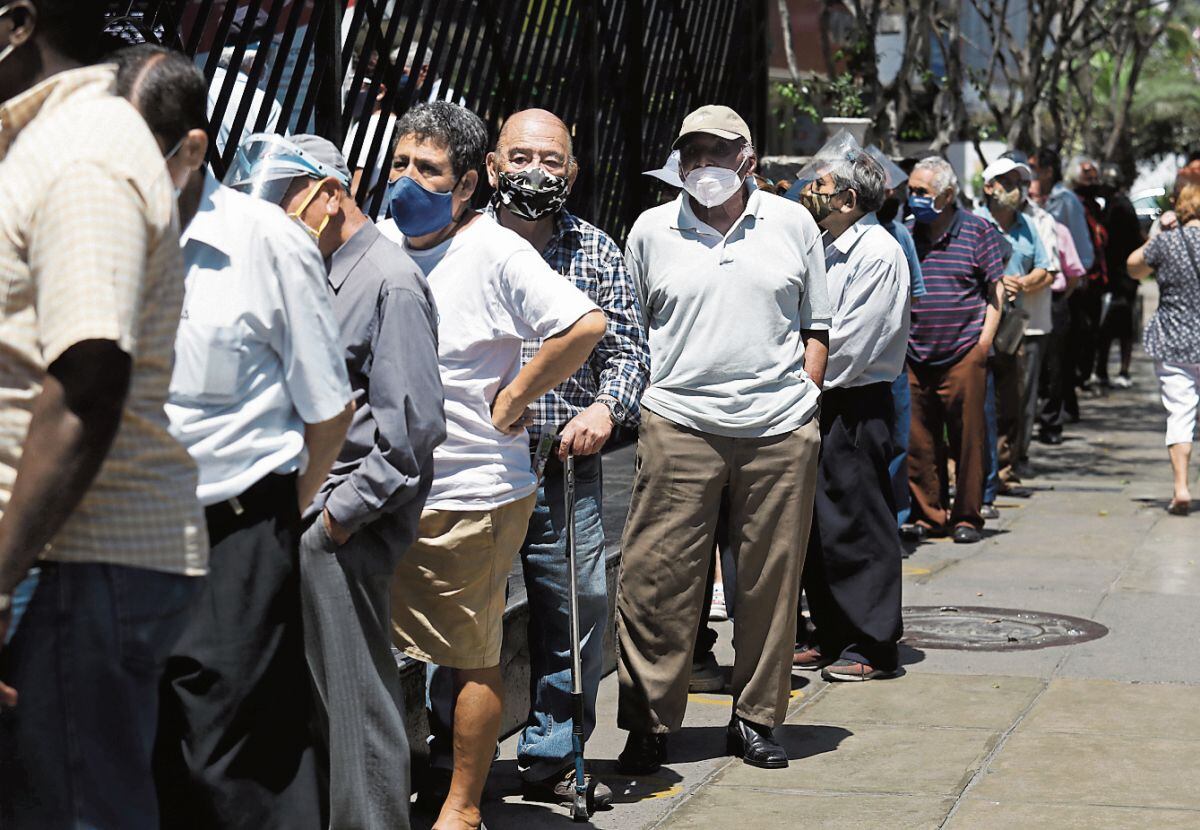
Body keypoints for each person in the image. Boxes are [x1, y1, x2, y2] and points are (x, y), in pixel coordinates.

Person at [117, 47, 357, 829]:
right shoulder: (95, 237)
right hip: (118, 542)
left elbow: (327, 411)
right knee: (137, 755)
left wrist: (273, 516)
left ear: (191, 150)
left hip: (235, 538)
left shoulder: (267, 243)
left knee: (234, 766)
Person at [0, 5, 208, 827]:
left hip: (72, 566)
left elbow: (87, 381)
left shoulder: (83, 153)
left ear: (17, 24)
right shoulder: (52, 144)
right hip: (57, 568)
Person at [380, 101, 606, 830]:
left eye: (429, 169)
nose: (408, 180)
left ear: (469, 183)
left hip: (468, 491)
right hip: (384, 488)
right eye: (400, 163)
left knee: (467, 652)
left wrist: (514, 397)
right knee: (390, 650)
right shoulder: (383, 239)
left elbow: (584, 325)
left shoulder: (495, 251)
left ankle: (463, 805)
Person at [423, 108, 649, 810]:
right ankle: (449, 748)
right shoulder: (455, 244)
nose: (535, 171)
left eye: (552, 160)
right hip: (473, 468)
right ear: (491, 167)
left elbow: (628, 351)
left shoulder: (596, 251)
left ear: (572, 172)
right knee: (457, 609)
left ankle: (554, 752)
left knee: (576, 604)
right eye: (520, 157)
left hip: (560, 467)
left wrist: (605, 410)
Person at [229, 131, 447, 829]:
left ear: (329, 195)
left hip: (344, 528)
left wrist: (335, 523)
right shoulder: (308, 269)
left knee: (357, 709)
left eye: (284, 201)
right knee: (318, 706)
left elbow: (411, 431)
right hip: (303, 517)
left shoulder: (388, 281)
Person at [617, 105, 829, 773]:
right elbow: (629, 329)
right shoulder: (651, 229)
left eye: (718, 150)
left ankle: (756, 718)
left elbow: (816, 326)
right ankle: (649, 721)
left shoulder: (793, 223)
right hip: (678, 423)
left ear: (748, 158)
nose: (704, 163)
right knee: (656, 580)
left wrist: (807, 403)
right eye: (693, 152)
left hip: (778, 431)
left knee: (770, 584)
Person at [794, 144, 909, 681]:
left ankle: (873, 642)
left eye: (819, 185)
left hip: (853, 400)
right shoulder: (823, 244)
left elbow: (850, 345)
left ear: (847, 198)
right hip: (816, 395)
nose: (808, 192)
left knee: (860, 520)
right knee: (821, 522)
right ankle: (832, 632)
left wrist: (799, 379)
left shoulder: (878, 253)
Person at [902, 156, 1005, 545]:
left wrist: (983, 344)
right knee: (919, 441)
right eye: (911, 190)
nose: (914, 197)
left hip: (964, 351)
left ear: (946, 195)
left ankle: (967, 517)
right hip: (914, 353)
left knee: (969, 439)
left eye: (922, 191)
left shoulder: (978, 231)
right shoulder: (906, 233)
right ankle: (928, 516)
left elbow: (995, 290)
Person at [977, 158, 1050, 513]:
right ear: (989, 187)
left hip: (1011, 329)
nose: (1014, 189)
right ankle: (968, 473)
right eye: (1006, 181)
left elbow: (1045, 269)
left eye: (1017, 183)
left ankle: (1004, 470)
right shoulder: (974, 223)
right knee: (975, 401)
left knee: (1010, 402)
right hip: (975, 325)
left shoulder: (1028, 226)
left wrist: (1022, 282)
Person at [1126, 182, 1200, 516]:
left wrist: (1157, 235)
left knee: (1180, 413)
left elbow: (1133, 267)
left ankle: (1181, 488)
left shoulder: (1167, 241)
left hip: (1174, 339)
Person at [868, 146, 927, 531]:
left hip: (893, 360)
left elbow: (914, 296)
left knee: (897, 440)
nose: (892, 194)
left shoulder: (899, 234)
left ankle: (895, 518)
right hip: (848, 362)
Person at [1029, 174, 1088, 445]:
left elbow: (1073, 272)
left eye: (1034, 195)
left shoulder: (1056, 229)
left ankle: (1051, 423)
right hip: (1023, 301)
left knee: (1054, 366)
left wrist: (1061, 297)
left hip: (1053, 301)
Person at [1094, 170, 1144, 389]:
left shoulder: (1120, 207)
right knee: (1109, 327)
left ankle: (1120, 370)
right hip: (1116, 278)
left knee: (1120, 327)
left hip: (1122, 279)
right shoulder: (1113, 205)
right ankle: (1103, 370)